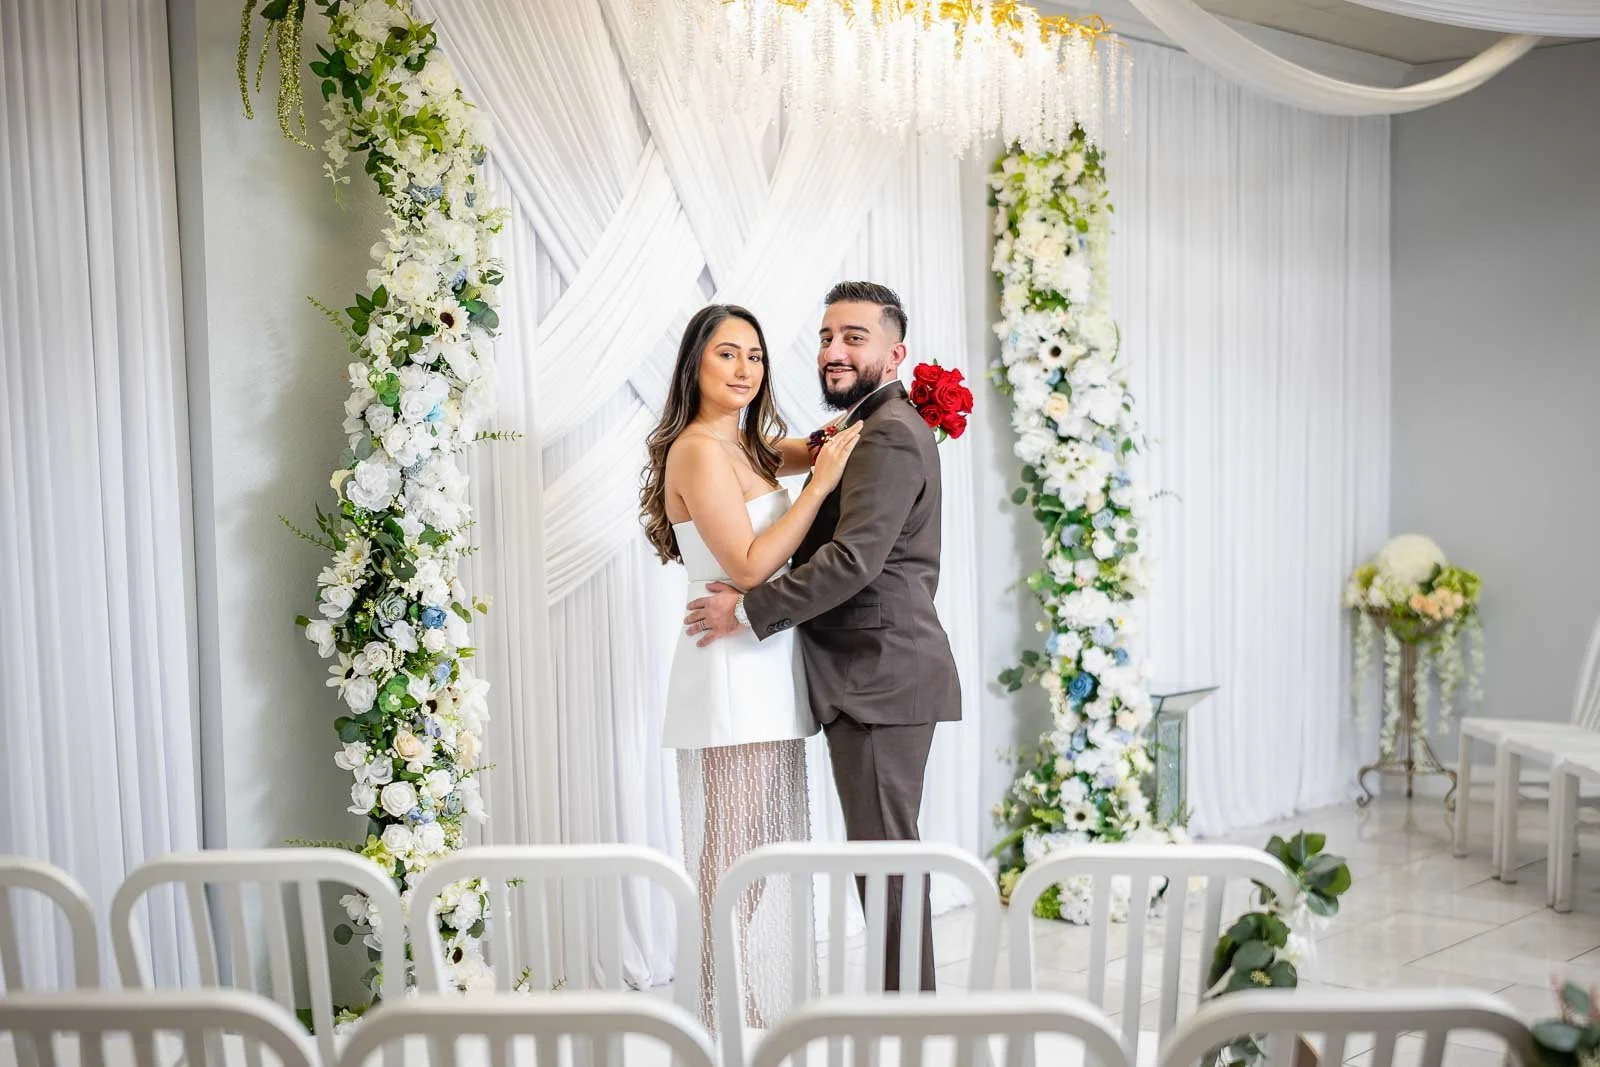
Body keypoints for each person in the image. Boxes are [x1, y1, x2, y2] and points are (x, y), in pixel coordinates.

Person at [685, 281, 961, 994]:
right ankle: (903, 1016)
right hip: (862, 674)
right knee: (877, 858)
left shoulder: (889, 432)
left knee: (885, 862)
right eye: (826, 336)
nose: (834, 351)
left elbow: (854, 559)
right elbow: (770, 459)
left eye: (854, 338)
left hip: (881, 674)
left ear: (895, 352)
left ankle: (911, 1024)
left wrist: (745, 610)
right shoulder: (853, 429)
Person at [639, 303, 862, 1030]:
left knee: (759, 842)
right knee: (731, 848)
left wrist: (906, 401)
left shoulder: (748, 444)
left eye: (756, 357)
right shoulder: (699, 449)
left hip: (766, 659)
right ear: (695, 364)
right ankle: (714, 998)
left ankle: (731, 987)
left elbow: (819, 441)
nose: (745, 369)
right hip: (729, 664)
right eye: (728, 354)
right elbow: (749, 561)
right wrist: (821, 487)